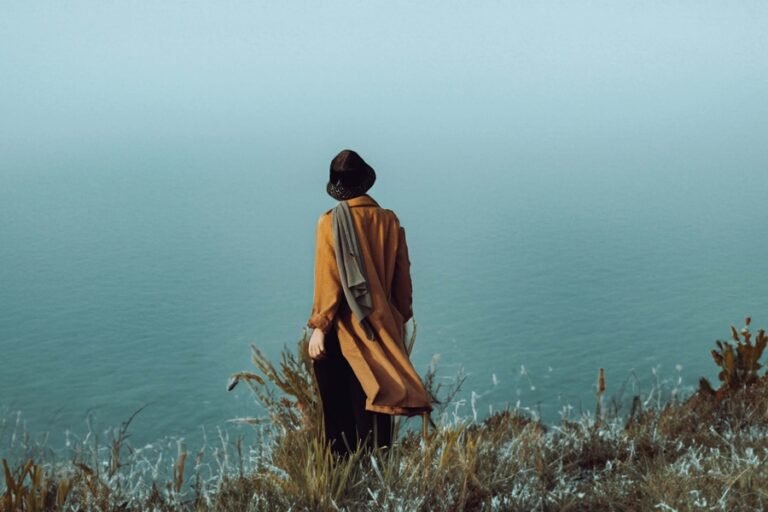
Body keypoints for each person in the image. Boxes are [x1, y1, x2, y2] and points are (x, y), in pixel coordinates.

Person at [307, 149, 432, 456]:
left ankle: (346, 485)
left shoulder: (330, 223)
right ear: (365, 183)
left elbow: (329, 278)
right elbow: (403, 284)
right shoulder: (389, 221)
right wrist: (394, 323)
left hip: (343, 331)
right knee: (376, 413)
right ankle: (380, 479)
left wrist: (320, 327)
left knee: (339, 421)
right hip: (381, 328)